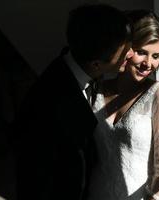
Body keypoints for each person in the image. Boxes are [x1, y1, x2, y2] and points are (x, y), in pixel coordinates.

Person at [13, 4, 134, 200]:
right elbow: (38, 181)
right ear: (96, 64)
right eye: (124, 51)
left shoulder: (81, 68)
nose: (130, 54)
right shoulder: (49, 104)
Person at [88, 10, 159, 200]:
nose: (148, 63)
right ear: (125, 49)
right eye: (141, 52)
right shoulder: (96, 88)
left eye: (156, 56)